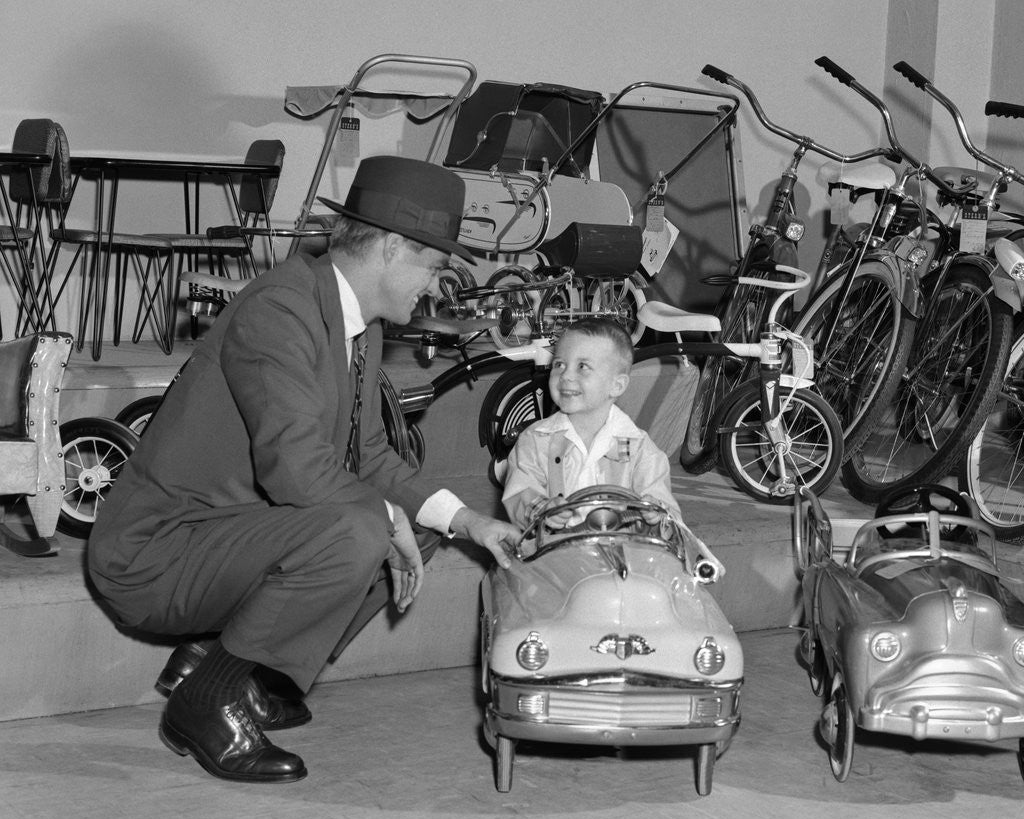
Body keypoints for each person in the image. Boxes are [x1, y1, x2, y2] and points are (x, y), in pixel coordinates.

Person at [87, 155, 519, 784]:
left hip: (228, 535)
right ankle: (206, 701)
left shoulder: (359, 325)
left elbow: (368, 454)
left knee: (421, 523)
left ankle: (239, 670)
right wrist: (388, 519)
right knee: (364, 527)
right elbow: (295, 470)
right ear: (395, 247)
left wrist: (472, 523)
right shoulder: (279, 308)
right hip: (156, 554)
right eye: (434, 267)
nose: (435, 288)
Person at [502, 318, 682, 529]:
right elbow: (520, 491)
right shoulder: (536, 439)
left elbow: (665, 507)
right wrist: (542, 510)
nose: (566, 375)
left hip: (621, 551)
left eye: (582, 366)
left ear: (616, 385)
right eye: (559, 364)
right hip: (556, 552)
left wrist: (656, 513)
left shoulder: (639, 448)